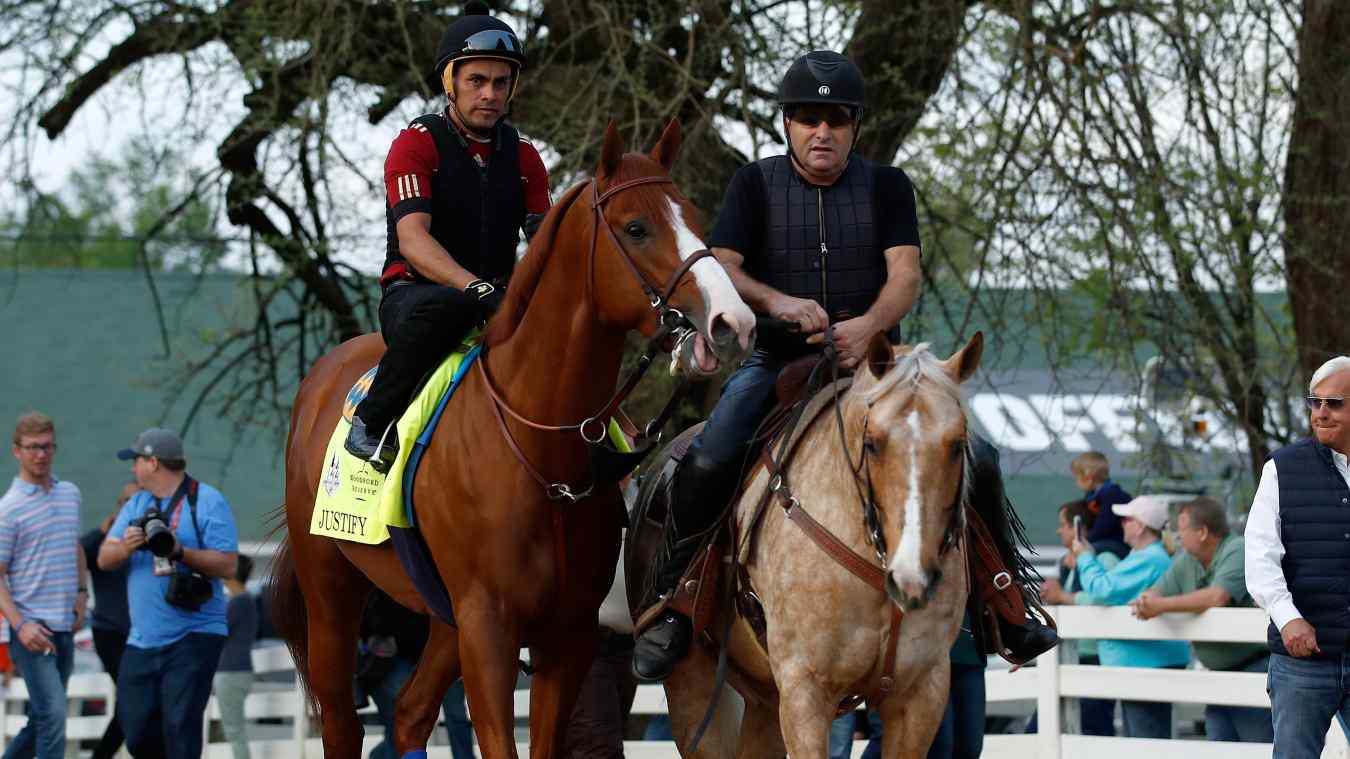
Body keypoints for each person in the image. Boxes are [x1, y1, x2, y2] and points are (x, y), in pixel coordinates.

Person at [632, 49, 1056, 682]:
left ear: (855, 125)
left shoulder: (888, 186)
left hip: (880, 367)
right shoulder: (754, 183)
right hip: (780, 359)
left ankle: (1006, 597)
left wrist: (869, 326)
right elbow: (725, 265)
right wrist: (779, 302)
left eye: (835, 119)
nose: (821, 131)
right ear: (788, 125)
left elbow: (905, 275)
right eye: (807, 118)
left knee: (979, 457)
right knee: (709, 456)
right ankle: (675, 603)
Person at [345, 0, 551, 471]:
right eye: (476, 81)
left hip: (497, 301)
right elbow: (414, 241)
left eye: (501, 83)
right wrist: (476, 289)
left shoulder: (523, 156)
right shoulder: (415, 144)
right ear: (450, 82)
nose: (490, 94)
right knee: (452, 304)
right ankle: (372, 422)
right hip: (418, 298)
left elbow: (545, 241)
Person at [98, 428, 240, 759]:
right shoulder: (137, 503)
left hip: (195, 634)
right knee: (135, 731)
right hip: (142, 640)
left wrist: (180, 551)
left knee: (181, 727)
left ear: (153, 462)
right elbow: (105, 558)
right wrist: (127, 547)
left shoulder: (206, 500)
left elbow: (229, 565)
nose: (133, 467)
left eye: (136, 460)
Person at [1246, 355, 1350, 758]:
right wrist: (1287, 618)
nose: (1321, 413)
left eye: (1335, 402)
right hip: (1302, 659)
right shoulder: (1281, 469)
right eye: (1314, 402)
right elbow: (1259, 556)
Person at [1127, 496, 1270, 742]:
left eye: (1182, 530)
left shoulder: (1238, 549)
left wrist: (1160, 606)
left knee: (1258, 747)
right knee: (1218, 747)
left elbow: (1218, 596)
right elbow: (1157, 590)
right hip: (1216, 675)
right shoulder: (1187, 559)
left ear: (1202, 532)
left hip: (1252, 670)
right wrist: (1147, 600)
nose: (1178, 537)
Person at [0, 412, 87, 759]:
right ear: (17, 451)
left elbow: (75, 546)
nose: (42, 454)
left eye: (48, 446)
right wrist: (19, 625)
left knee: (42, 718)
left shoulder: (70, 495)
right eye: (33, 447)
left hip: (65, 624)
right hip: (31, 629)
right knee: (52, 715)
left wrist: (82, 593)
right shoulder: (9, 510)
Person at [1068, 495, 1189, 738]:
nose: (1121, 523)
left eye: (1126, 519)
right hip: (1143, 661)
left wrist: (1084, 557)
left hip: (1146, 663)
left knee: (1147, 744)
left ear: (1141, 525)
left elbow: (1102, 590)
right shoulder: (1145, 557)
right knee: (1139, 740)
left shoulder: (1149, 558)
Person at [1037, 499, 1121, 736]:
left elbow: (1104, 597)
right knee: (1047, 726)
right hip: (1074, 655)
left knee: (1094, 729)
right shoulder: (1074, 562)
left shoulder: (1105, 558)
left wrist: (1063, 596)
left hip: (1094, 656)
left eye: (1063, 525)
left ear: (1078, 528)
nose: (1059, 530)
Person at [83, 483, 137, 759]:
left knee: (133, 703)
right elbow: (80, 553)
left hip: (141, 634)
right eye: (126, 500)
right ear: (118, 504)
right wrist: (102, 533)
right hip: (110, 632)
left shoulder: (148, 536)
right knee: (133, 699)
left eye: (137, 499)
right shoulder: (105, 539)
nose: (131, 504)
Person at [214, 554, 259, 759]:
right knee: (235, 729)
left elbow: (217, 633)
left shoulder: (237, 603)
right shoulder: (247, 600)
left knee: (234, 731)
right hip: (240, 669)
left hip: (230, 672)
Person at [1070, 451, 1130, 552]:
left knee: (1087, 550)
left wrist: (1085, 542)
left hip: (1119, 543)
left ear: (1089, 478)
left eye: (1077, 478)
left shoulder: (1111, 495)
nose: (1076, 482)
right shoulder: (1092, 495)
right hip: (1106, 541)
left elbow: (1103, 527)